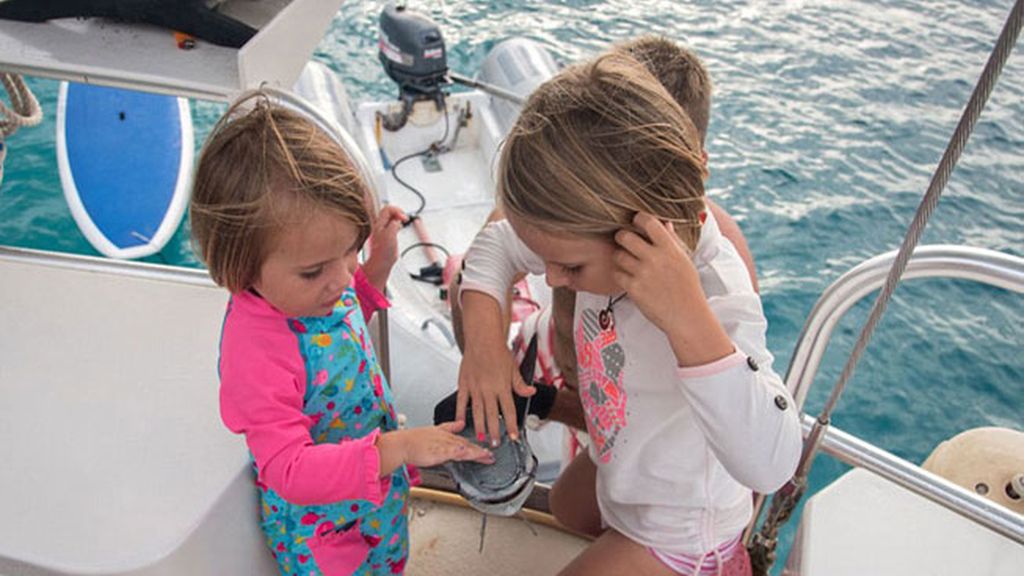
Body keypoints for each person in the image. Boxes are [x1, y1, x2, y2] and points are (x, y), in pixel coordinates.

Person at [456, 53, 802, 575]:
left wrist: (687, 320)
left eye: (569, 266)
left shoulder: (711, 290)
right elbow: (496, 247)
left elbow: (771, 462)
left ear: (643, 229)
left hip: (682, 535)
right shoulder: (606, 240)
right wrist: (485, 346)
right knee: (570, 509)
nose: (551, 279)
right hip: (627, 466)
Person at [189, 90, 493, 576]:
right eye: (314, 271)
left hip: (372, 500)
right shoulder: (256, 352)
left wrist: (375, 270)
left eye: (350, 250)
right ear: (238, 268)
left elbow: (340, 325)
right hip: (327, 534)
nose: (339, 279)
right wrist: (402, 448)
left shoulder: (314, 291)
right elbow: (286, 470)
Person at [448, 35, 759, 444]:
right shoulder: (575, 209)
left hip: (620, 417)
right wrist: (485, 345)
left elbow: (733, 414)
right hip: (574, 364)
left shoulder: (719, 268)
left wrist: (546, 404)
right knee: (459, 275)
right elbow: (496, 240)